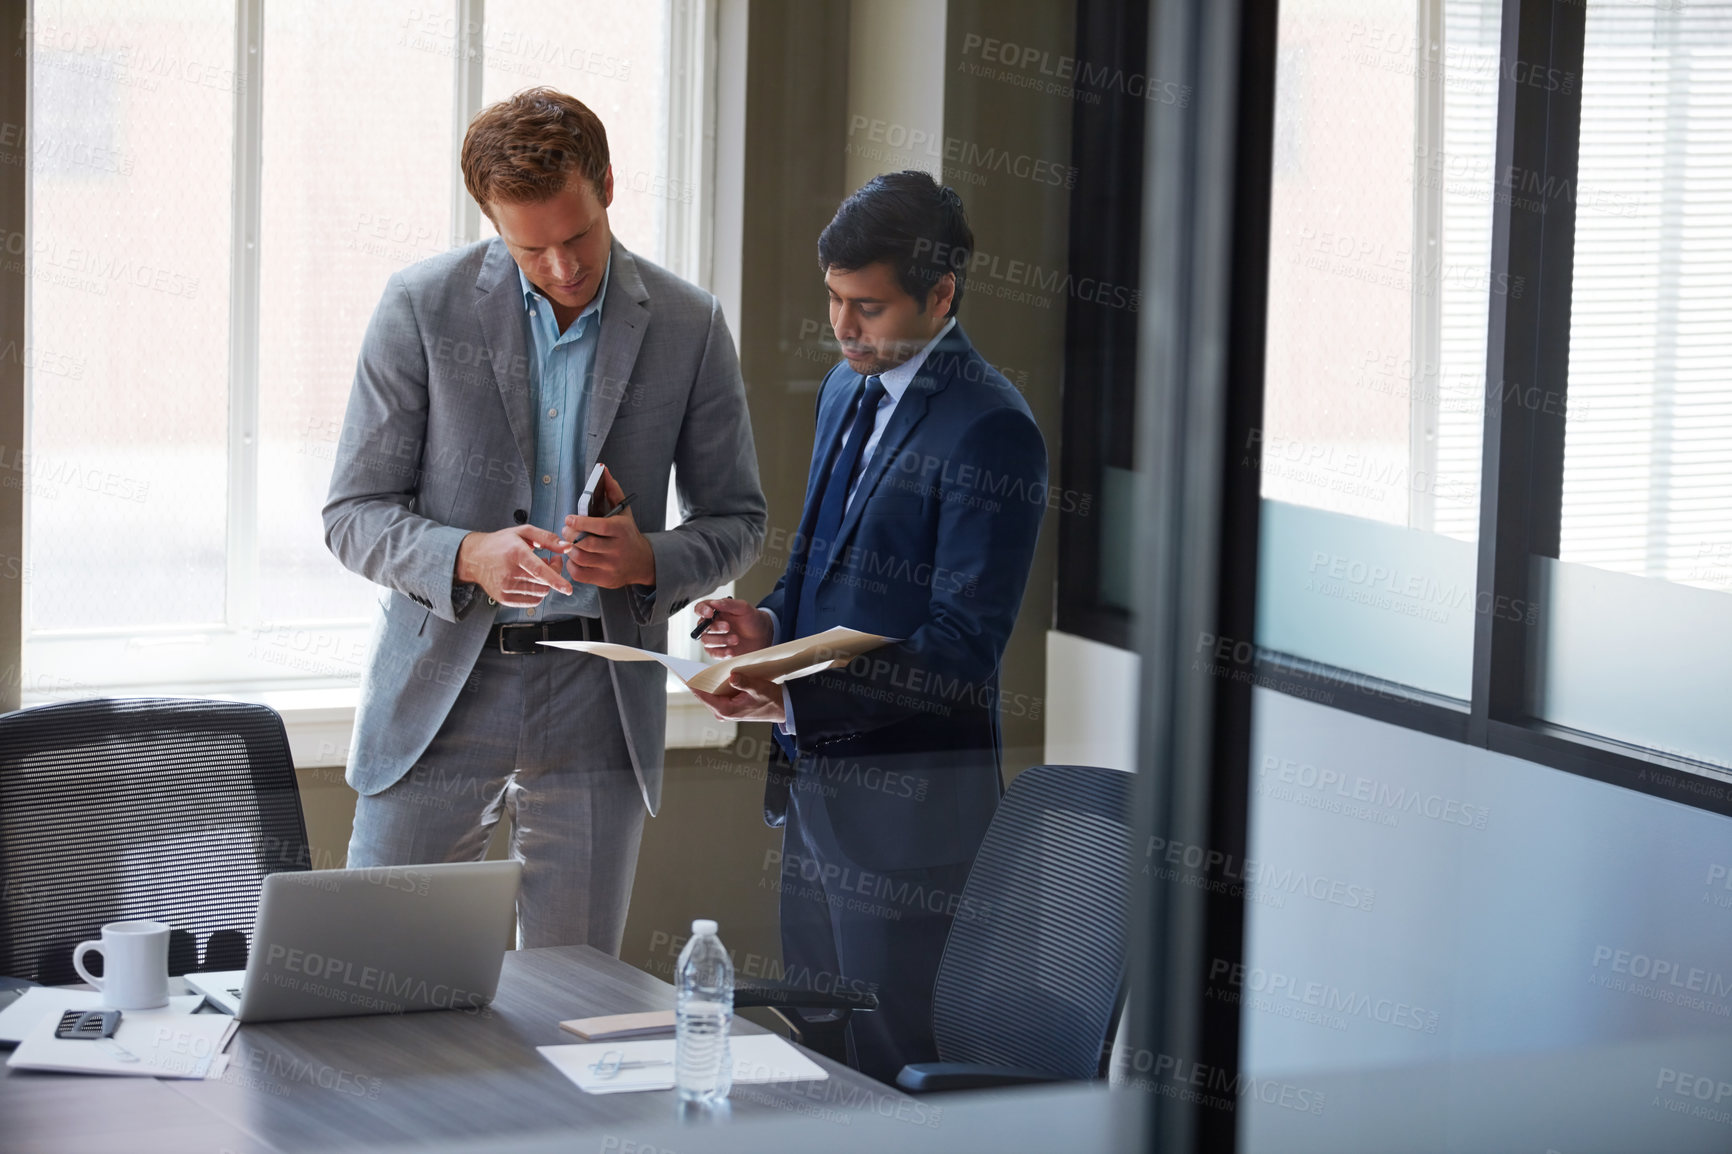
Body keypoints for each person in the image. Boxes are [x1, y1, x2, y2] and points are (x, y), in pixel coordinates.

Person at [324, 88, 765, 953]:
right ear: (491, 221)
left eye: (578, 237)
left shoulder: (689, 323)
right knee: (377, 985)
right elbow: (352, 514)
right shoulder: (420, 306)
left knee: (577, 1003)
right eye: (531, 249)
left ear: (606, 185)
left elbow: (738, 519)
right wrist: (466, 555)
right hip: (441, 691)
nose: (563, 269)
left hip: (597, 694)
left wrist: (648, 562)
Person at [691, 171, 1048, 1081]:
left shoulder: (991, 430)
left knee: (898, 1066)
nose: (843, 328)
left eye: (868, 307)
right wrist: (763, 618)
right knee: (818, 1054)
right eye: (834, 301)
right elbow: (816, 563)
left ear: (941, 295)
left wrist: (798, 702)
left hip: (911, 821)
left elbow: (963, 649)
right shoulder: (844, 391)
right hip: (816, 799)